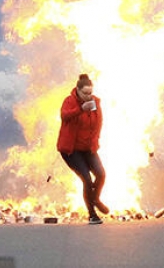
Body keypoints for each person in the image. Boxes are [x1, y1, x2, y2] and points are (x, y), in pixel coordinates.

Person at [57, 74, 109, 225]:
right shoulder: (69, 101)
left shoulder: (96, 103)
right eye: (85, 93)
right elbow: (65, 116)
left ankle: (96, 198)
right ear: (78, 91)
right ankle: (92, 214)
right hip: (71, 149)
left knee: (101, 174)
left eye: (90, 93)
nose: (88, 96)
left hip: (88, 148)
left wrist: (94, 142)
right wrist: (80, 109)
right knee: (86, 178)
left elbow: (99, 124)